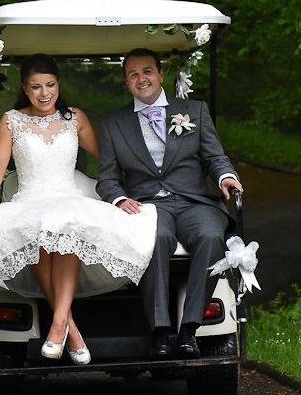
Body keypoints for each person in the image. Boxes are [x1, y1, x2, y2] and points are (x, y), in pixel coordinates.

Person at [0, 54, 157, 365]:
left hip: (70, 194)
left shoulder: (74, 117)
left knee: (66, 228)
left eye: (50, 85)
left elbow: (107, 156)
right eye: (36, 87)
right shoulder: (12, 121)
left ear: (58, 85)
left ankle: (58, 326)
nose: (44, 93)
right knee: (36, 231)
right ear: (25, 89)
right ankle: (70, 331)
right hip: (30, 199)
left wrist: (144, 170)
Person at [96, 48, 244, 359]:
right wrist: (120, 199)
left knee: (210, 236)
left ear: (161, 75)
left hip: (195, 201)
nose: (141, 78)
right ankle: (160, 332)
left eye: (147, 71)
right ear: (126, 82)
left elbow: (215, 157)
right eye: (133, 74)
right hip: (148, 205)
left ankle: (189, 330)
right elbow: (107, 178)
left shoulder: (195, 110)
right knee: (156, 239)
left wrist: (225, 177)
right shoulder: (113, 124)